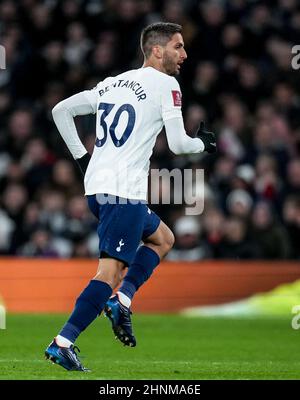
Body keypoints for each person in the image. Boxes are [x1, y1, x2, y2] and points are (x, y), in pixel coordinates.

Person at [45, 22, 216, 371]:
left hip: (98, 189)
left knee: (163, 238)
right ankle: (63, 341)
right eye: (178, 47)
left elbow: (60, 110)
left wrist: (82, 160)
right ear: (157, 50)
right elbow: (180, 144)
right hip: (124, 194)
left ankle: (123, 299)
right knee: (107, 274)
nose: (184, 55)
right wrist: (205, 145)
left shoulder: (111, 83)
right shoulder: (167, 84)